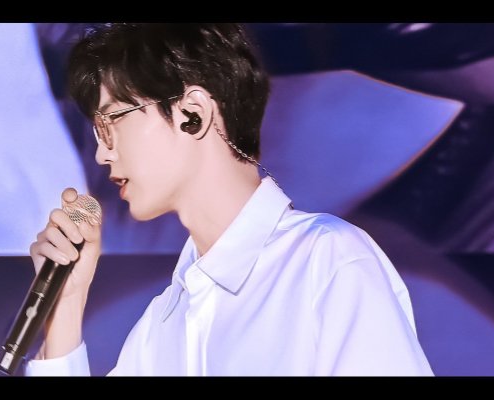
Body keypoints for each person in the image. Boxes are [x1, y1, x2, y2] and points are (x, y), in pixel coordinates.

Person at [25, 23, 434, 376]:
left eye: (111, 122)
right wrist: (66, 304)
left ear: (193, 114)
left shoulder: (326, 261)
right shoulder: (162, 322)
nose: (103, 153)